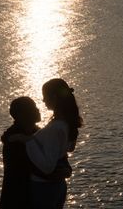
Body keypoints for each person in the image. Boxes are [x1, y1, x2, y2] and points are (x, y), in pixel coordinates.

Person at [25, 79, 82, 209]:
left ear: (54, 97)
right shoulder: (67, 123)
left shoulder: (56, 128)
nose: (43, 100)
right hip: (58, 187)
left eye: (45, 96)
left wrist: (28, 141)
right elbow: (69, 148)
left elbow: (47, 167)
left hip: (43, 188)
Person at [0, 96, 41, 209]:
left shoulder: (36, 132)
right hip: (17, 198)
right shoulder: (13, 140)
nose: (38, 110)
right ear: (23, 115)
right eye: (34, 107)